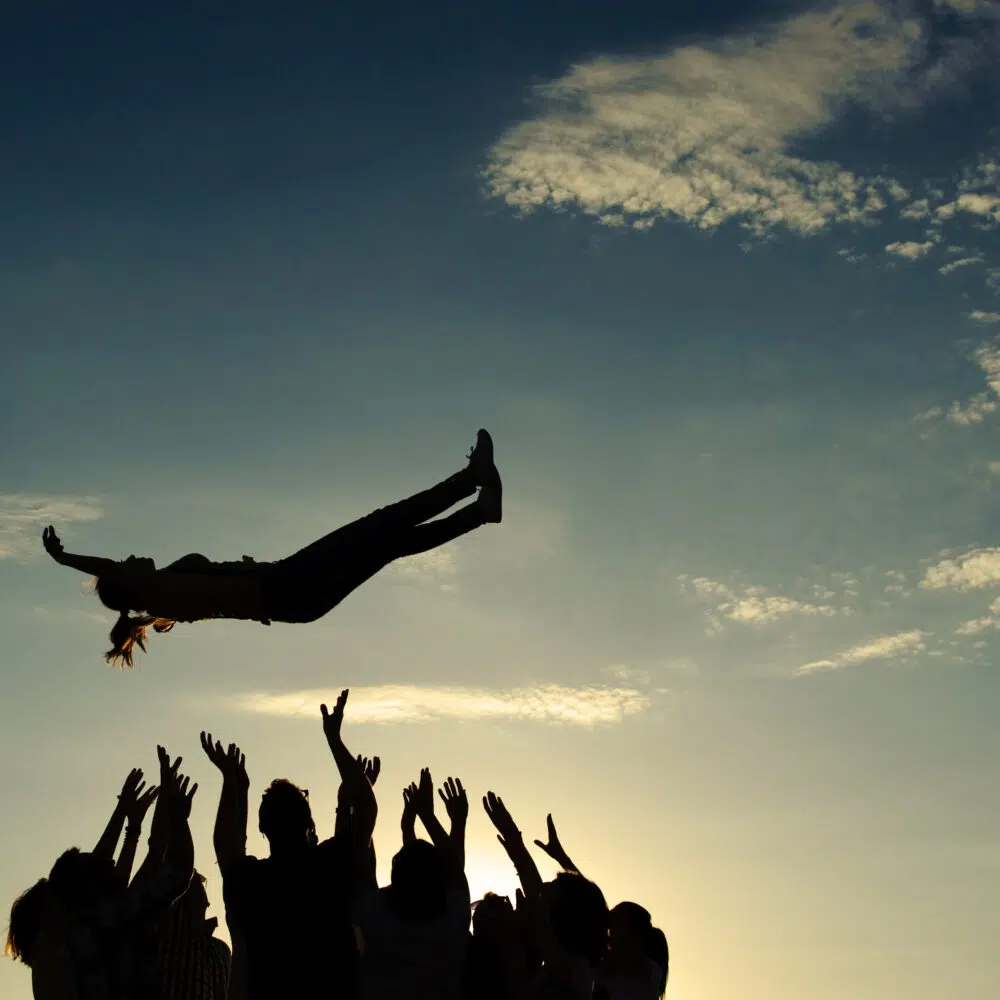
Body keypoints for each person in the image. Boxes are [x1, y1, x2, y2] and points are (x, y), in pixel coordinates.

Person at [42, 429, 503, 666]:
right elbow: (109, 567)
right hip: (288, 586)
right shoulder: (160, 596)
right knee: (379, 527)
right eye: (126, 564)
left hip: (293, 594)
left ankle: (479, 510)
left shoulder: (165, 592)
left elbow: (116, 570)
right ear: (129, 583)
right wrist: (65, 558)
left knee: (387, 543)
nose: (129, 558)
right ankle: (471, 479)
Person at [201, 723, 367, 1000]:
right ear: (309, 822)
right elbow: (366, 807)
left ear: (262, 827)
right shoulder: (329, 865)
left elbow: (228, 846)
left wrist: (233, 783)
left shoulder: (253, 881)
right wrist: (334, 739)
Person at [352, 767, 472, 1000]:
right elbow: (453, 868)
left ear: (395, 883)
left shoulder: (376, 920)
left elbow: (360, 857)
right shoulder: (453, 922)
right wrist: (430, 817)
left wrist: (361, 797)